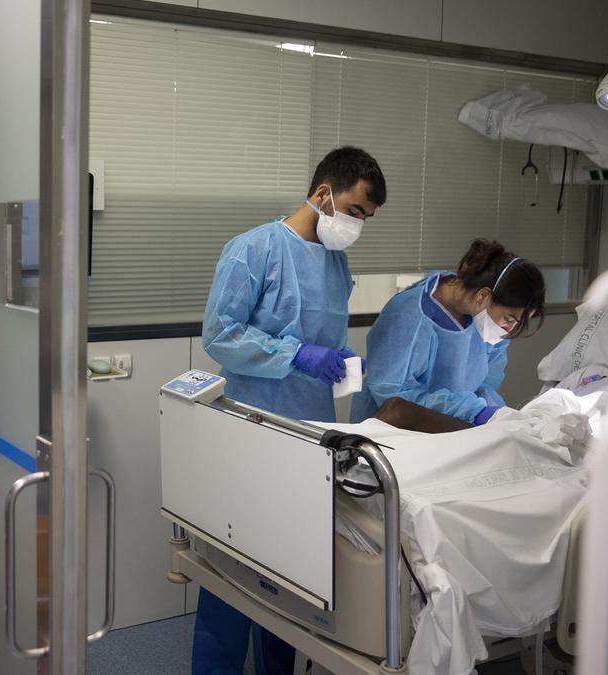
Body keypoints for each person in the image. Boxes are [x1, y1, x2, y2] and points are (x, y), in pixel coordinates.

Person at [196, 146, 387, 674]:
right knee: (233, 572)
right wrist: (297, 353)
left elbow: (321, 337)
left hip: (308, 431)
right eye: (354, 210)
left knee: (287, 581)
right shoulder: (252, 250)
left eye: (365, 218)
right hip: (251, 427)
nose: (356, 225)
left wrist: (335, 358)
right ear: (324, 193)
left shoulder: (335, 259)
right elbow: (220, 335)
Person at [351, 239, 546, 425]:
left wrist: (492, 411)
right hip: (387, 432)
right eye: (509, 319)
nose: (509, 330)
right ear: (483, 296)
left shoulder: (485, 321)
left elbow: (485, 382)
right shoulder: (411, 314)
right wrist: (469, 410)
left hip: (447, 431)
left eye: (520, 322)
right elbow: (391, 391)